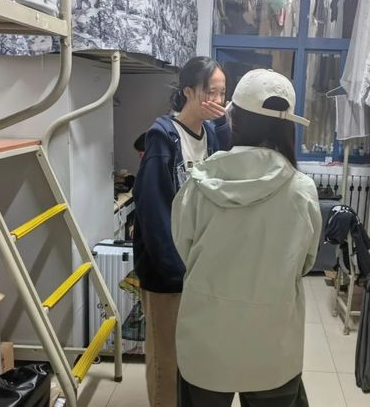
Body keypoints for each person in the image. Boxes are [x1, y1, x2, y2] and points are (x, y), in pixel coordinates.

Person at [171, 69, 322, 407]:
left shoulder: (199, 183)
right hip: (272, 344)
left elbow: (184, 248)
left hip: (206, 341)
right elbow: (305, 262)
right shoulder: (302, 191)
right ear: (288, 128)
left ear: (234, 119)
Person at [132, 56, 230, 407]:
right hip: (168, 273)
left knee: (192, 355)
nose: (217, 101)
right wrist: (178, 274)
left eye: (222, 93)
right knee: (166, 359)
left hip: (197, 269)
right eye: (210, 92)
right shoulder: (164, 139)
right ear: (188, 91)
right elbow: (154, 216)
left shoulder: (212, 135)